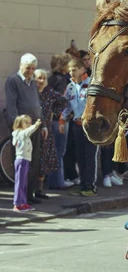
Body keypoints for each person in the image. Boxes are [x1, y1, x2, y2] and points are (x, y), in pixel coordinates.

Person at [5, 53, 48, 205]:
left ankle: (29, 195)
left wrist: (42, 125)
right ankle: (20, 198)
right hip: (22, 130)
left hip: (34, 127)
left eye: (32, 68)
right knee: (21, 165)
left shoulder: (32, 83)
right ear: (20, 66)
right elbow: (11, 106)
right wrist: (16, 128)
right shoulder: (13, 81)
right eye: (28, 68)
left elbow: (38, 105)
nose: (30, 71)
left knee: (34, 161)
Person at [59, 58, 98, 196]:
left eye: (74, 70)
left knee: (89, 155)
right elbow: (67, 106)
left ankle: (90, 185)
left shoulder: (91, 84)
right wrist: (62, 121)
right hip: (76, 125)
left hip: (90, 125)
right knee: (80, 156)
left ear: (82, 70)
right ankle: (82, 184)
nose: (71, 72)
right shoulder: (70, 87)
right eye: (69, 70)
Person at [34, 69, 66, 197]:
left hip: (46, 131)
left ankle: (39, 190)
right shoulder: (31, 92)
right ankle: (30, 189)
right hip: (32, 130)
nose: (41, 81)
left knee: (43, 161)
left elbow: (63, 101)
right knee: (33, 161)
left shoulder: (49, 92)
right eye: (39, 78)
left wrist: (55, 112)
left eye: (44, 78)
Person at [47, 53, 73, 189]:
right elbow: (63, 100)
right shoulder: (62, 80)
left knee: (54, 151)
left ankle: (54, 180)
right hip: (60, 120)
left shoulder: (51, 79)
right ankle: (58, 182)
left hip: (52, 119)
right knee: (59, 151)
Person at [12, 115, 42, 211]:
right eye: (26, 122)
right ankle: (17, 204)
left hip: (25, 160)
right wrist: (35, 125)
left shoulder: (23, 134)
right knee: (20, 183)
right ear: (20, 124)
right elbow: (27, 132)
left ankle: (23, 202)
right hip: (21, 160)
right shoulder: (19, 133)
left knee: (24, 183)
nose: (29, 124)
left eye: (30, 122)